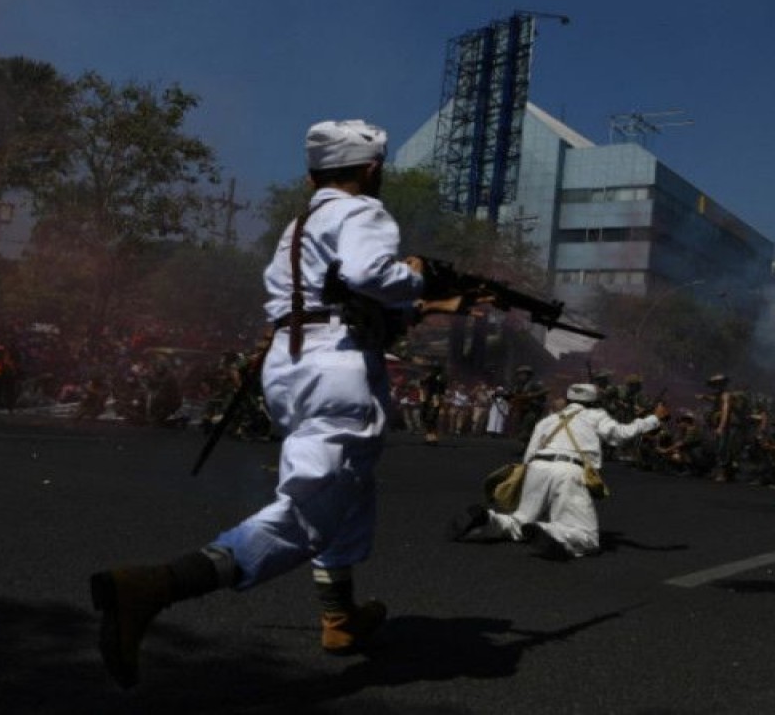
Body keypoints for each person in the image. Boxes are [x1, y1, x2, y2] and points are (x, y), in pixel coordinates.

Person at [88, 119, 457, 689]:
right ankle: (157, 585)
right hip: (336, 365)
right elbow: (370, 274)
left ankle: (340, 617)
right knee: (312, 507)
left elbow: (338, 296)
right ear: (372, 169)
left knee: (348, 485)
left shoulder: (299, 225)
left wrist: (424, 307)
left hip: (294, 361)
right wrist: (420, 280)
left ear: (313, 176)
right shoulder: (363, 212)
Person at [446, 383, 669, 560]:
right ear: (594, 402)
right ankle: (552, 532)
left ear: (570, 400)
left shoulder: (550, 419)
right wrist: (654, 419)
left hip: (537, 466)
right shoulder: (596, 415)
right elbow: (621, 433)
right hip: (569, 470)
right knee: (588, 537)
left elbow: (529, 454)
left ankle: (487, 520)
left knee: (520, 519)